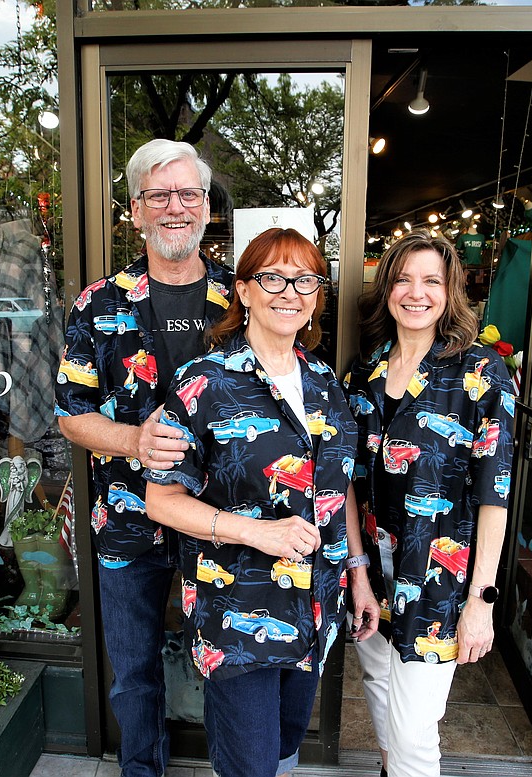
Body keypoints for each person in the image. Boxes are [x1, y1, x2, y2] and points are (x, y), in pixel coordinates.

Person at [144, 228, 380, 777]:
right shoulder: (203, 383)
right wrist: (257, 532)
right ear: (244, 291)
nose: (289, 291)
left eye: (305, 279)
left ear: (317, 295)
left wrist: (360, 575)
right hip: (237, 615)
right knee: (249, 763)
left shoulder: (325, 382)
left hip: (316, 608)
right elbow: (162, 501)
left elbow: (336, 486)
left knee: (285, 746)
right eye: (272, 277)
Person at [55, 139, 234, 777]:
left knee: (227, 662)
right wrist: (132, 440)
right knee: (133, 674)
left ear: (208, 207)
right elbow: (69, 412)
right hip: (125, 522)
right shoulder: (97, 303)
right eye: (159, 196)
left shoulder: (243, 303)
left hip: (220, 522)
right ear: (135, 211)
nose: (175, 207)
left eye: (188, 194)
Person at [343, 230, 515, 777]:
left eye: (431, 281)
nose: (415, 293)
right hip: (374, 574)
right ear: (387, 288)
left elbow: (495, 494)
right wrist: (358, 571)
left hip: (438, 582)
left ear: (451, 292)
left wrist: (482, 602)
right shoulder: (362, 373)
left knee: (415, 726)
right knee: (377, 685)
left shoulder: (480, 375)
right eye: (403, 279)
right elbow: (345, 483)